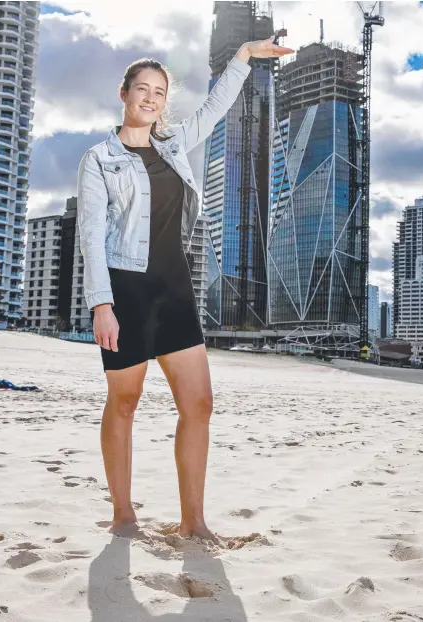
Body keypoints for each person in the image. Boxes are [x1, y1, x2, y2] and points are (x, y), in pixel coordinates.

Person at [77, 36, 293, 540]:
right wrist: (102, 305)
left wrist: (243, 56)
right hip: (126, 291)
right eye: (142, 89)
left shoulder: (174, 146)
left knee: (198, 406)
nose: (150, 99)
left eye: (159, 92)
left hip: (175, 290)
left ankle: (193, 521)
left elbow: (216, 108)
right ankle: (124, 515)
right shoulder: (99, 159)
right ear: (125, 93)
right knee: (124, 404)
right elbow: (90, 235)